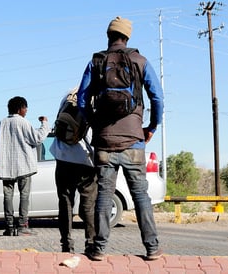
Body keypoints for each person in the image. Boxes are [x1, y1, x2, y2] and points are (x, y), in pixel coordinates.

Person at [77, 16, 164, 261]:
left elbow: (82, 100)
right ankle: (152, 248)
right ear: (127, 36)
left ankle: (99, 249)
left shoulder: (96, 62)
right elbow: (157, 98)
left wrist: (95, 124)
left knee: (104, 194)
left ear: (109, 35)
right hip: (134, 140)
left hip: (104, 142)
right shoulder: (140, 61)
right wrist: (151, 127)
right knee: (140, 195)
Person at [0, 96, 51, 236]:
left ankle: (9, 226)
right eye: (25, 108)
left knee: (7, 196)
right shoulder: (23, 122)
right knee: (24, 195)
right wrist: (44, 124)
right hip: (24, 165)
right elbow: (37, 139)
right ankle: (23, 226)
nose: (26, 111)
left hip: (6, 167)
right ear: (20, 109)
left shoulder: (2, 123)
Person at [50, 89, 97, 254]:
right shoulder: (96, 97)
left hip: (63, 155)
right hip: (85, 159)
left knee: (65, 202)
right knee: (88, 203)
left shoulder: (69, 95)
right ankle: (91, 243)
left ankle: (66, 244)